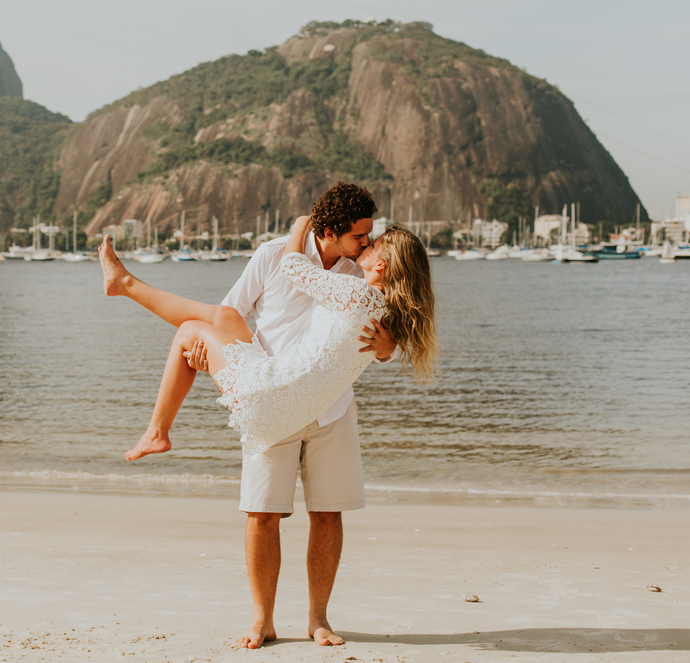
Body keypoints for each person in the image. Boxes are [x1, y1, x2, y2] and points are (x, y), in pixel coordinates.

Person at [99, 185, 437, 648]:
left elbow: (376, 336)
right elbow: (230, 315)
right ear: (331, 231)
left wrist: (388, 347)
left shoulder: (355, 273)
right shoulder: (274, 255)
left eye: (371, 238)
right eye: (360, 235)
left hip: (329, 407)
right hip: (273, 384)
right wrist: (207, 355)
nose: (367, 242)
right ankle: (262, 620)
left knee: (328, 516)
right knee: (262, 514)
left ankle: (318, 619)